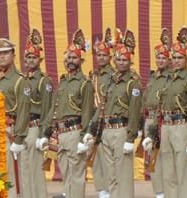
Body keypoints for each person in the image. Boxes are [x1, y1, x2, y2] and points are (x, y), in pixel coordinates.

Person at [41, 29, 95, 198]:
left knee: (77, 176)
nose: (70, 61)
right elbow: (54, 109)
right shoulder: (63, 82)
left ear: (81, 60)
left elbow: (87, 112)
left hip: (75, 132)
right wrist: (45, 132)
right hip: (61, 134)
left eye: (74, 58)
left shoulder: (84, 83)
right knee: (67, 175)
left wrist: (83, 138)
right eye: (68, 57)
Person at [87, 30, 141, 198]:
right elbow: (102, 106)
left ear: (130, 61)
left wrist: (131, 137)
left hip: (121, 129)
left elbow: (134, 111)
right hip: (106, 130)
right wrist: (90, 130)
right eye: (119, 59)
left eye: (125, 60)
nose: (121, 62)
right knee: (111, 174)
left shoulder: (133, 83)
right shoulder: (111, 81)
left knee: (123, 174)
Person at [147, 27, 187, 197]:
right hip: (166, 127)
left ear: (186, 59)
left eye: (180, 58)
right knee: (168, 171)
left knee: (183, 170)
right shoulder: (167, 80)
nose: (176, 61)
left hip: (181, 126)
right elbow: (160, 108)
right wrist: (152, 132)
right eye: (174, 57)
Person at [0, 38, 33, 198]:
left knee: (11, 176)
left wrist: (18, 139)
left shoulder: (20, 81)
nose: (2, 57)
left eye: (5, 53)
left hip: (11, 131)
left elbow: (24, 111)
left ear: (13, 55)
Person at [20, 29, 49, 197]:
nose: (31, 60)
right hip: (22, 128)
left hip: (35, 127)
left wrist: (43, 134)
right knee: (25, 169)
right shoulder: (22, 80)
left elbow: (47, 109)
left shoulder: (43, 81)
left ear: (40, 59)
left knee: (36, 169)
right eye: (28, 57)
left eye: (34, 57)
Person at [142, 28, 171, 198]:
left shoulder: (170, 77)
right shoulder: (152, 78)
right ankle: (158, 193)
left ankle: (169, 192)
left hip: (163, 122)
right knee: (151, 157)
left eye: (163, 58)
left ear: (169, 60)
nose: (160, 60)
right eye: (158, 57)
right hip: (150, 120)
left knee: (165, 159)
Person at [88, 28, 116, 197]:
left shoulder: (114, 75)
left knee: (109, 159)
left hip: (107, 121)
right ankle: (102, 190)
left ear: (110, 57)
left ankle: (112, 189)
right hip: (94, 121)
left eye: (104, 55)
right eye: (99, 55)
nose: (101, 58)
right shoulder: (93, 75)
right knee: (97, 158)